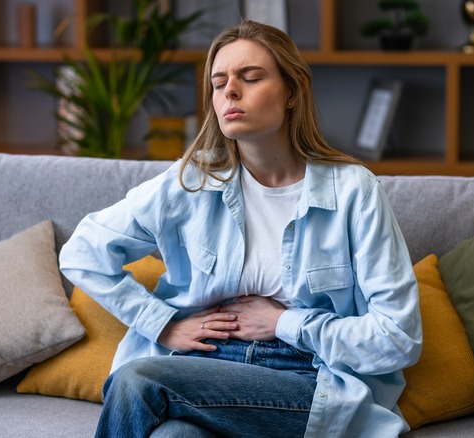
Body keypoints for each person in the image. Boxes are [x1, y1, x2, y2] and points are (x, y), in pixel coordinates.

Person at [59, 20, 422, 438]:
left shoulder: (355, 192)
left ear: (293, 90)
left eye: (250, 77)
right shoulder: (190, 183)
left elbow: (399, 337)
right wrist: (164, 324)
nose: (230, 91)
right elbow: (82, 252)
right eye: (218, 83)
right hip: (201, 367)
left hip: (305, 378)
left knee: (138, 381)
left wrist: (285, 324)